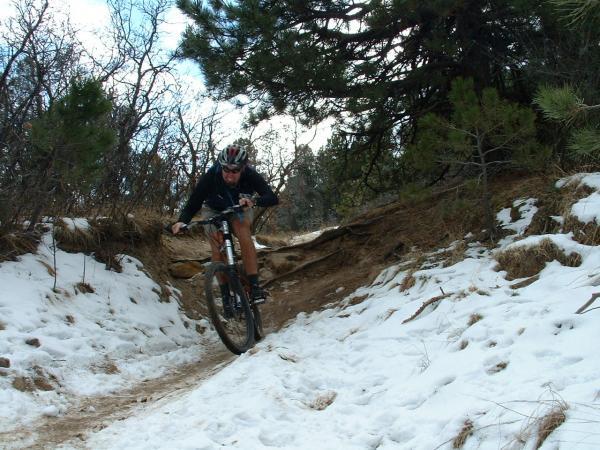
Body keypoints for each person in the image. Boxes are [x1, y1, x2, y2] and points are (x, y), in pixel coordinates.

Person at [171, 144, 278, 304]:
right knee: (217, 244)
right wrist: (181, 221)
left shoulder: (250, 174)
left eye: (235, 171)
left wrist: (254, 201)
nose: (229, 175)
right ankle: (226, 294)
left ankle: (255, 286)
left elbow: (272, 197)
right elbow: (194, 202)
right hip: (213, 209)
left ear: (243, 169)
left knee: (243, 231)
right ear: (220, 166)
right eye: (226, 170)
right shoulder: (211, 175)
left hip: (239, 208)